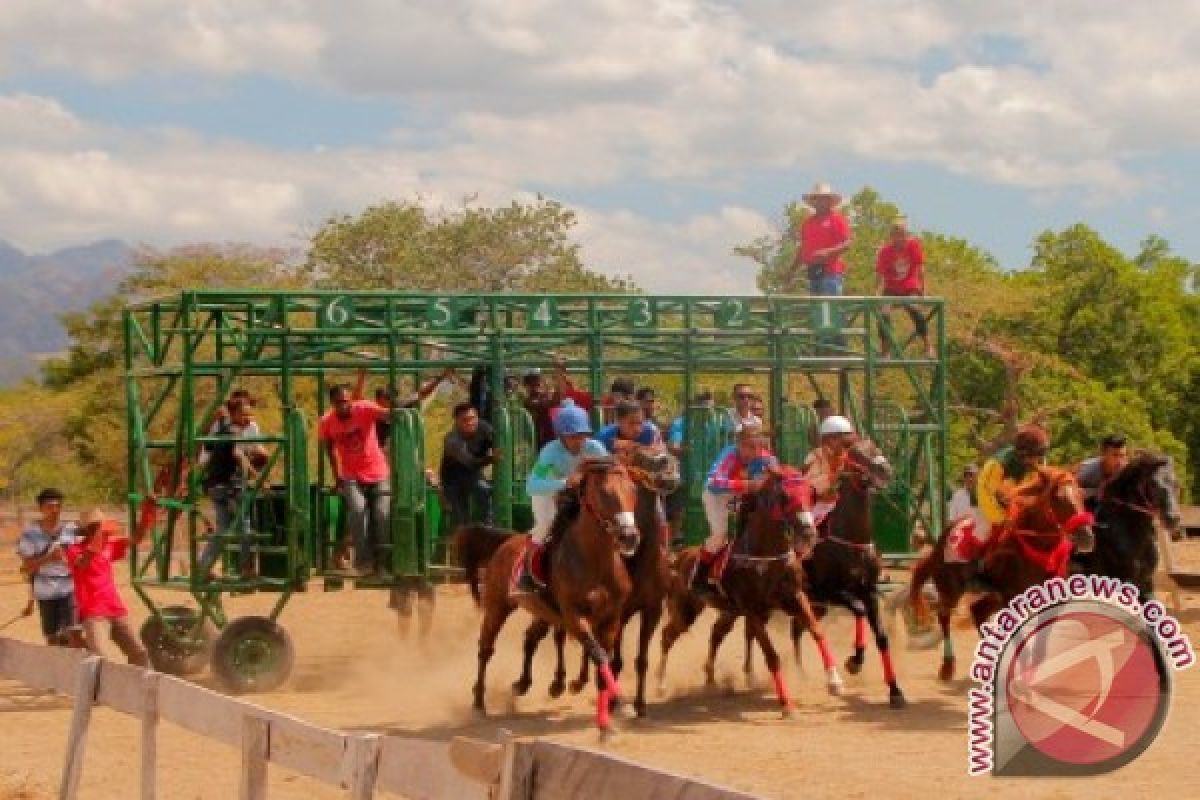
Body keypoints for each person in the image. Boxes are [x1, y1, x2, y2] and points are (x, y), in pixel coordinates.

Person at [518, 399, 609, 592]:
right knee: (547, 522)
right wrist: (565, 483)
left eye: (582, 435)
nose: (579, 441)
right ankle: (526, 570)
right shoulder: (549, 452)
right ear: (561, 436)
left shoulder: (596, 448)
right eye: (572, 436)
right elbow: (532, 485)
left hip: (580, 493)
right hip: (549, 491)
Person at [692, 424, 778, 594]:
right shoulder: (730, 454)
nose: (754, 451)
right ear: (738, 444)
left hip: (743, 498)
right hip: (717, 496)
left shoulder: (768, 459)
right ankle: (699, 578)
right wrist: (747, 485)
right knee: (720, 535)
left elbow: (778, 478)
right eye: (749, 446)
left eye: (758, 446)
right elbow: (714, 483)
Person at [319, 383, 392, 576]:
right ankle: (364, 562)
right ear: (332, 403)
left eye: (346, 401)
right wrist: (337, 477)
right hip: (351, 475)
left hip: (377, 471)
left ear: (351, 400)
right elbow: (329, 450)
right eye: (338, 402)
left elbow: (388, 415)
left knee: (382, 514)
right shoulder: (327, 421)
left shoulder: (364, 408)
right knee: (358, 513)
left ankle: (383, 563)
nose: (343, 405)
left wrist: (399, 408)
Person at [948, 425, 1050, 563]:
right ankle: (977, 568)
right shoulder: (997, 464)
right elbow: (985, 493)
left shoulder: (1038, 462)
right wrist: (1002, 519)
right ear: (1023, 454)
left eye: (1041, 456)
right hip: (987, 507)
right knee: (984, 536)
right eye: (1035, 456)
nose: (1038, 461)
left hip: (1013, 505)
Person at [63, 510, 148, 666]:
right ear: (88, 530)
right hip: (93, 613)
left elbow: (136, 539)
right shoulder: (74, 550)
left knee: (139, 652)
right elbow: (83, 563)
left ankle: (142, 681)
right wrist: (98, 537)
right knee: (100, 658)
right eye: (98, 526)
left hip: (115, 609)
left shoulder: (109, 545)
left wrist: (146, 514)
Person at [198, 397, 267, 578]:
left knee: (223, 529)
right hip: (227, 487)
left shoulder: (223, 430)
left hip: (215, 486)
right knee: (244, 526)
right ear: (233, 415)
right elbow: (239, 456)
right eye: (244, 414)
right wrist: (259, 479)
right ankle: (246, 568)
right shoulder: (233, 432)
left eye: (250, 414)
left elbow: (208, 445)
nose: (248, 418)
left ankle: (203, 566)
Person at [16, 488, 82, 647]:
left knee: (74, 634)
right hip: (45, 592)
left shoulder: (72, 530)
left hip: (70, 588)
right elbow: (26, 568)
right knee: (52, 638)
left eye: (58, 506)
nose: (55, 510)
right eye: (50, 506)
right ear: (41, 509)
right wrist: (49, 558)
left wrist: (70, 560)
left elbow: (84, 558)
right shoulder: (30, 534)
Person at [875, 215, 934, 359]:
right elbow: (879, 274)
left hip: (909, 287)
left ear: (906, 235)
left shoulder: (913, 246)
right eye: (896, 235)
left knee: (914, 308)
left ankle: (928, 345)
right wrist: (875, 293)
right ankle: (885, 350)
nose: (900, 239)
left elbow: (920, 268)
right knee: (883, 313)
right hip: (891, 289)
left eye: (902, 235)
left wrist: (924, 290)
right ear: (891, 237)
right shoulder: (885, 251)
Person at [439, 403, 498, 530]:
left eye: (473, 418)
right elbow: (471, 463)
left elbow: (496, 440)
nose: (470, 422)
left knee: (485, 491)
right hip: (453, 479)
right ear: (456, 421)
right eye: (465, 420)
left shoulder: (483, 427)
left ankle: (488, 528)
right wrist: (491, 459)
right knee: (461, 519)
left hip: (473, 475)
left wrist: (496, 449)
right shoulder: (452, 440)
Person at [795, 182, 852, 297]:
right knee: (816, 306)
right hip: (813, 273)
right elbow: (803, 249)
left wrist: (828, 252)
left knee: (829, 306)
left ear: (829, 201)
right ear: (813, 201)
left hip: (831, 273)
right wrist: (792, 269)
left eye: (824, 198)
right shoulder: (807, 223)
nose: (820, 201)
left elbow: (847, 243)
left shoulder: (837, 219)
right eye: (817, 198)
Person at [803, 415, 857, 523]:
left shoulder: (849, 456)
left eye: (845, 437)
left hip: (844, 503)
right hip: (820, 503)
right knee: (809, 524)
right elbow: (811, 483)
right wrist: (836, 477)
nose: (842, 441)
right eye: (836, 438)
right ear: (826, 439)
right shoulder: (815, 456)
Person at [1076, 434, 1130, 513]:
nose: (1120, 461)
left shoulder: (1127, 470)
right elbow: (1071, 492)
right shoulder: (1088, 469)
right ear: (1103, 454)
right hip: (1086, 508)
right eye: (1115, 455)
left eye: (1122, 456)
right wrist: (1095, 491)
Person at [596, 400, 662, 454]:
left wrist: (636, 447)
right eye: (632, 423)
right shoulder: (603, 438)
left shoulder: (650, 433)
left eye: (640, 423)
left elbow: (661, 456)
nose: (638, 429)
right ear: (619, 421)